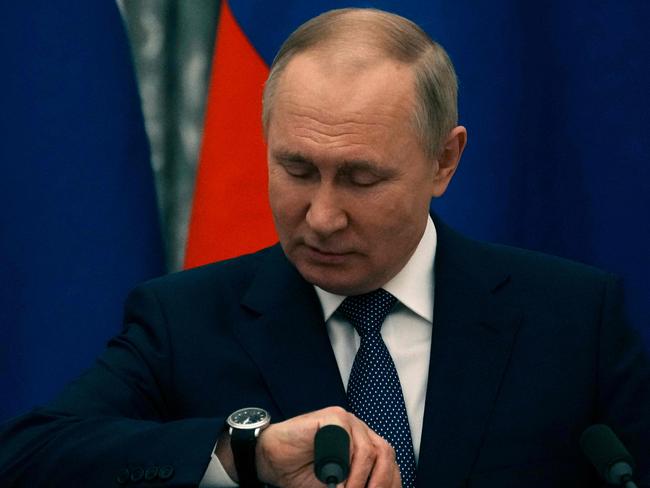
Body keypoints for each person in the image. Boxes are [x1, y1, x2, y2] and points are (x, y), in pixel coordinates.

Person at [1, 8, 649, 488]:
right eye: (297, 170)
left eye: (361, 178)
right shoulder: (186, 320)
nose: (322, 215)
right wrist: (241, 454)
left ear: (444, 161)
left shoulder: (572, 318)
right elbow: (30, 458)